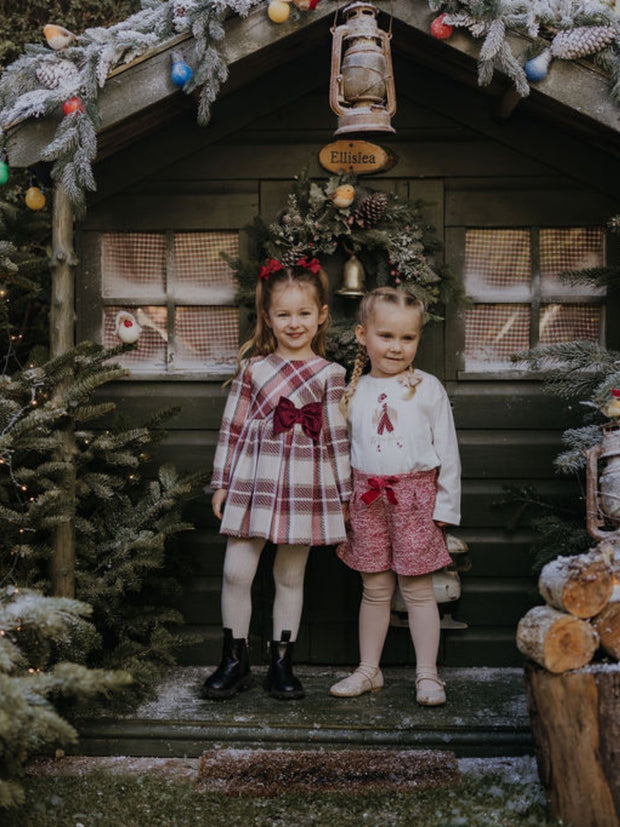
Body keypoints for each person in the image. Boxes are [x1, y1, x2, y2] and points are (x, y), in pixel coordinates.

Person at [202, 257, 351, 701]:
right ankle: (234, 659)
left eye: (304, 313)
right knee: (236, 571)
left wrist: (345, 495)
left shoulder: (331, 375)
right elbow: (232, 426)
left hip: (307, 483)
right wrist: (222, 481)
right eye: (283, 314)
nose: (294, 323)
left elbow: (339, 439)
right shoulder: (254, 369)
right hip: (255, 479)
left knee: (290, 575)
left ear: (322, 314)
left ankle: (282, 663)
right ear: (267, 316)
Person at [330, 286, 461, 706]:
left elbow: (448, 452)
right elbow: (342, 452)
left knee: (419, 589)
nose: (396, 347)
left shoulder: (427, 388)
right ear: (361, 334)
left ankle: (428, 674)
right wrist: (342, 503)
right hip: (367, 498)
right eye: (386, 336)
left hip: (416, 499)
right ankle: (370, 669)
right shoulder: (352, 391)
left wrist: (445, 506)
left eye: (408, 338)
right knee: (375, 587)